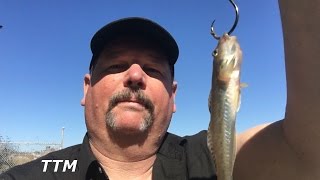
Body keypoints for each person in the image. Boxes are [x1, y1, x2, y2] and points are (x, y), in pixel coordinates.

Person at [1, 0, 319, 179]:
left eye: (153, 69)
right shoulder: (28, 177)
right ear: (87, 88)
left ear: (174, 96)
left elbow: (307, 149)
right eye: (115, 66)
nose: (136, 74)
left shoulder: (205, 159)